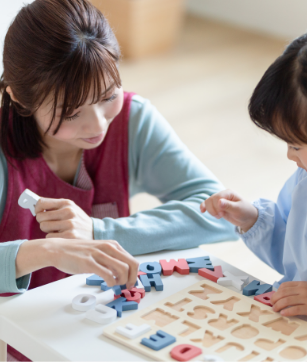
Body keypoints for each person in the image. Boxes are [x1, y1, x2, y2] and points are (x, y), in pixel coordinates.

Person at [201, 33, 307, 318]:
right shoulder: (303, 182)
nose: (290, 155)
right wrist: (253, 220)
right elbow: (295, 256)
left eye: (296, 145)